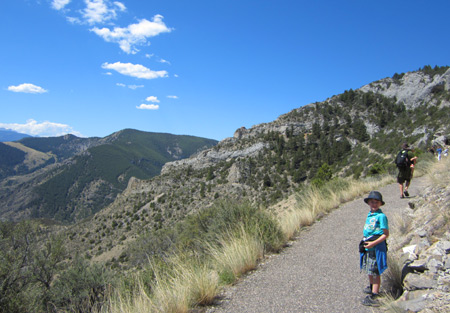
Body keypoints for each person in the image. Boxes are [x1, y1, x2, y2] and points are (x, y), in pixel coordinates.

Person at [360, 191, 389, 307]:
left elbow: (385, 234)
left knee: (375, 271)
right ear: (368, 203)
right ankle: (372, 287)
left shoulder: (381, 216)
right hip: (368, 246)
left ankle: (375, 295)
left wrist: (373, 244)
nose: (374, 204)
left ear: (380, 204)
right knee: (369, 269)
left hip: (376, 248)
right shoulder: (370, 214)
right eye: (372, 202)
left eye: (376, 202)